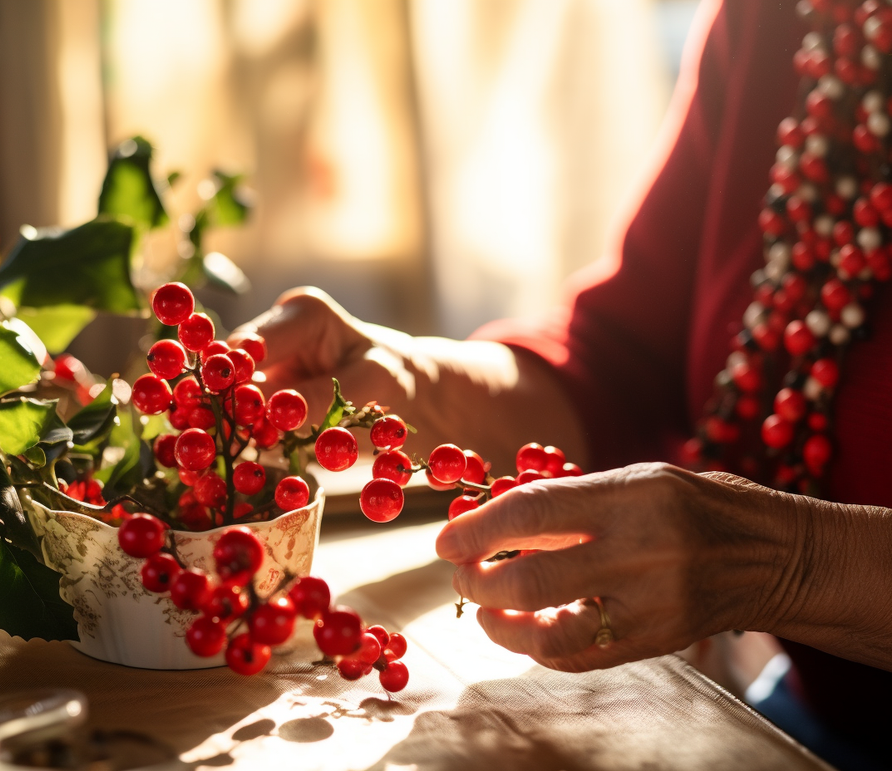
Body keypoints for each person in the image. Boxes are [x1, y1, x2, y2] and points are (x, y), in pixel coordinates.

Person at [229, 1, 892, 766]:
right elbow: (621, 361)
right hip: (801, 725)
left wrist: (791, 563)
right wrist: (419, 379)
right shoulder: (785, 20)